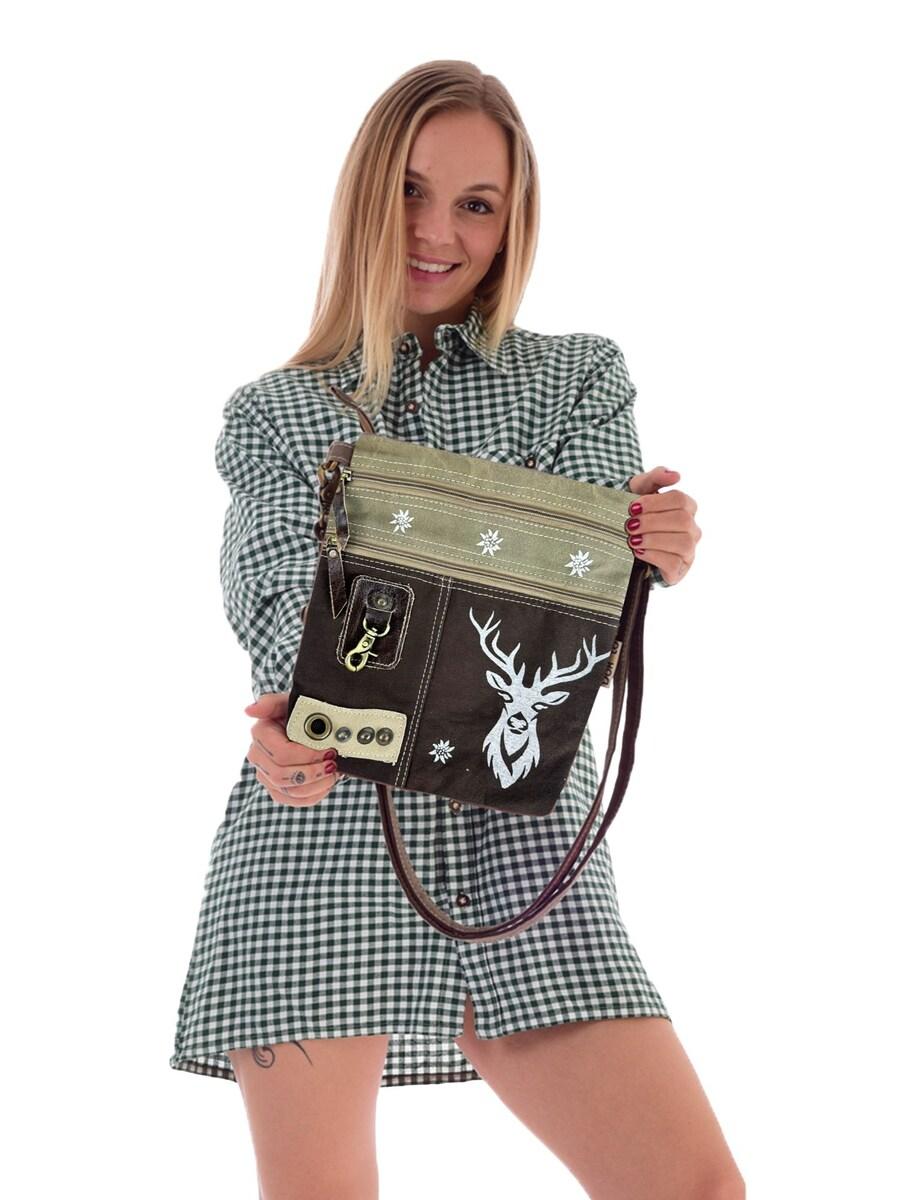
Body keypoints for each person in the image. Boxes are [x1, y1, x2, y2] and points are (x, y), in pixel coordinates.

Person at [170, 60, 741, 1200]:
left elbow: (590, 603)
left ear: (511, 223)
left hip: (526, 844)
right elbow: (285, 618)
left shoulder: (575, 380)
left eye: (476, 203)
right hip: (323, 842)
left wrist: (651, 551)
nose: (438, 233)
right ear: (364, 195)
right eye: (411, 191)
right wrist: (289, 726)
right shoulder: (276, 414)